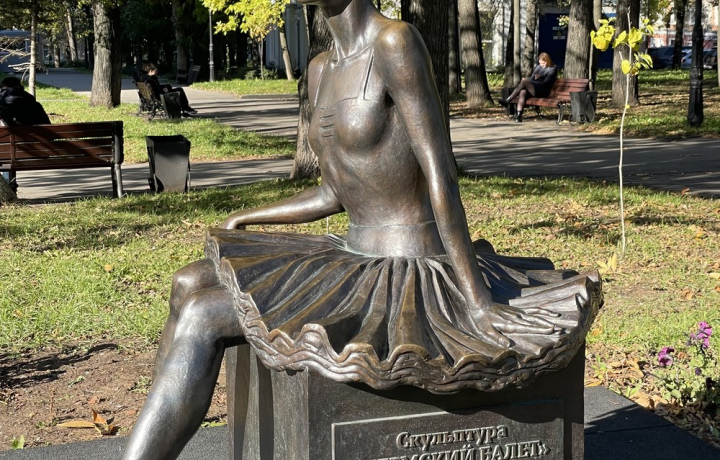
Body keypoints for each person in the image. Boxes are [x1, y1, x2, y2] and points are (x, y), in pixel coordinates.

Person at [122, 2, 599, 459]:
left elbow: (441, 175)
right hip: (352, 250)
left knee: (204, 314)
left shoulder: (395, 42)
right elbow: (333, 192)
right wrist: (250, 217)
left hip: (409, 264)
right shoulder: (321, 68)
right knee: (188, 282)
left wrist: (476, 301)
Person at [0, 76, 51, 192]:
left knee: (6, 152)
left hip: (4, 151)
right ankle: (10, 186)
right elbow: (47, 128)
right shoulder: (32, 103)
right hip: (34, 151)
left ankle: (9, 186)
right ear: (20, 87)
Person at [500, 52, 558, 122]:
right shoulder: (538, 67)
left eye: (543, 63)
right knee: (523, 91)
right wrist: (530, 81)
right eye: (540, 63)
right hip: (535, 88)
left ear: (547, 61)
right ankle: (518, 116)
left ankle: (508, 100)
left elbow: (545, 83)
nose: (542, 65)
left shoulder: (552, 68)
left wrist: (533, 81)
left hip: (543, 90)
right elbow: (531, 79)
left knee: (524, 83)